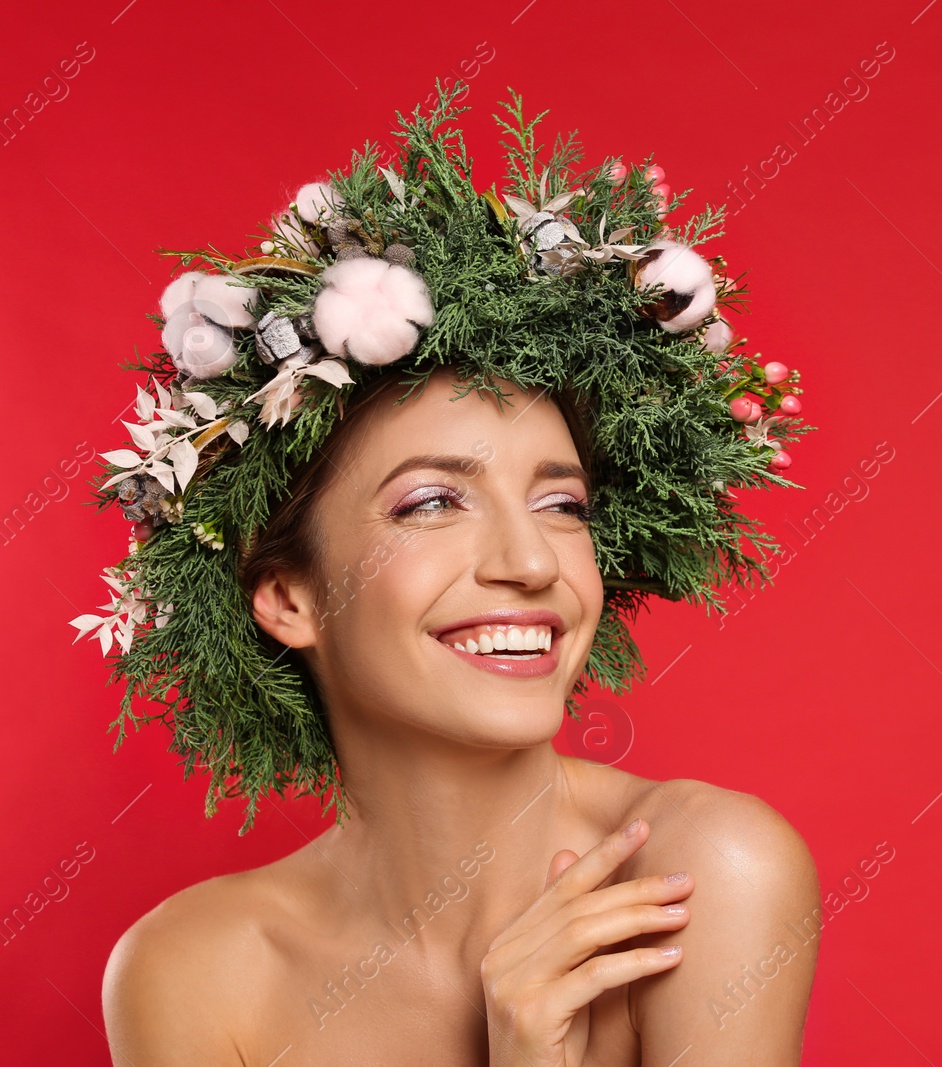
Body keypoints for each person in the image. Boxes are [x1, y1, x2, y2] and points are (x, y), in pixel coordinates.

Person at [75, 85, 821, 1065]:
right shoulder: (193, 971)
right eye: (431, 501)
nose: (528, 564)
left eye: (562, 505)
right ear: (290, 597)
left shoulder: (701, 877)